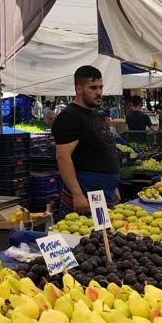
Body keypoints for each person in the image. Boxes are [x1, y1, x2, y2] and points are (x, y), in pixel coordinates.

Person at [52, 65, 120, 214]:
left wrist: (113, 186)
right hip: (87, 191)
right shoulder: (70, 116)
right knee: (85, 234)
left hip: (103, 190)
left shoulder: (93, 114)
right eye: (93, 88)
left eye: (101, 87)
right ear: (79, 89)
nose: (99, 92)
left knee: (103, 233)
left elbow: (101, 150)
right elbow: (62, 157)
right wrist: (77, 194)